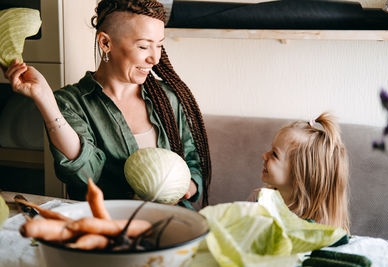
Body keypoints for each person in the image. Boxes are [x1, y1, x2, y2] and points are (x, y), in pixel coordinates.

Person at [4, 0, 211, 209]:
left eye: (159, 45)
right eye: (143, 46)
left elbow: (194, 162)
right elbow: (84, 173)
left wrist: (185, 189)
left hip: (172, 220)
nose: (154, 58)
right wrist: (45, 99)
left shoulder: (168, 98)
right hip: (107, 226)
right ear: (105, 43)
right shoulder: (71, 102)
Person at [248, 112, 350, 233]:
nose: (264, 155)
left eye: (275, 154)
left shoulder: (320, 225)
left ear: (300, 174)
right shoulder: (258, 199)